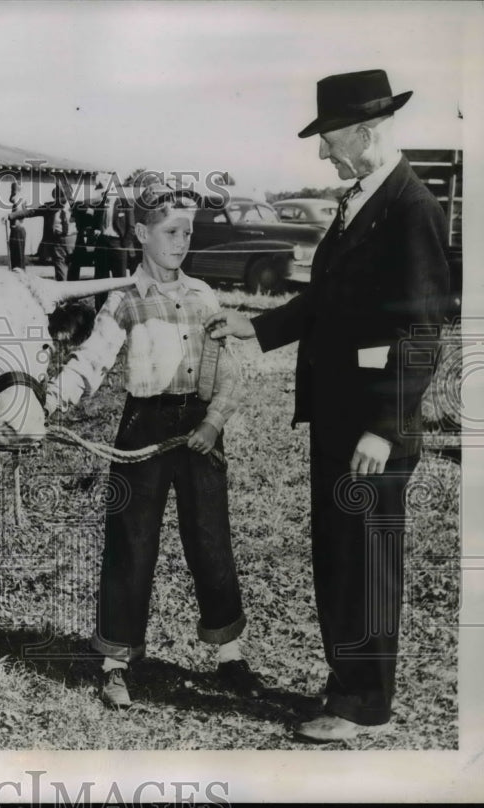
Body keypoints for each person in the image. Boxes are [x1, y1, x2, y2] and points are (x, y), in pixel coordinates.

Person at [205, 70, 449, 742]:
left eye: (330, 138)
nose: (322, 154)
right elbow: (322, 304)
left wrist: (385, 426)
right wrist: (253, 329)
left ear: (367, 131)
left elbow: (422, 332)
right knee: (341, 556)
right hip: (340, 419)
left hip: (371, 427)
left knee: (365, 561)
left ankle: (364, 705)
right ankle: (351, 681)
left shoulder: (411, 209)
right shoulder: (362, 201)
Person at [46, 185, 263, 709]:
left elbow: (228, 372)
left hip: (200, 430)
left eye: (187, 231)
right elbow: (91, 361)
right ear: (142, 234)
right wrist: (50, 400)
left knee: (210, 539)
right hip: (143, 427)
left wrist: (212, 424)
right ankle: (116, 661)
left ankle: (229, 654)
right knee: (131, 541)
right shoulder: (124, 300)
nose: (181, 240)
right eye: (170, 231)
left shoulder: (204, 296)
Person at [9, 181, 78, 281]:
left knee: (73, 272)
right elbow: (32, 212)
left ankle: (74, 294)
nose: (63, 199)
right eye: (60, 196)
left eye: (65, 196)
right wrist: (11, 216)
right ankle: (62, 292)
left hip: (73, 241)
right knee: (61, 273)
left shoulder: (77, 207)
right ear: (55, 197)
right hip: (57, 242)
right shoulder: (50, 207)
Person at [6, 181, 28, 269]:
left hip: (17, 229)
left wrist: (13, 222)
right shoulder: (22, 199)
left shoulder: (17, 199)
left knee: (17, 255)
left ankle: (19, 273)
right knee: (18, 255)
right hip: (18, 229)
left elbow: (21, 214)